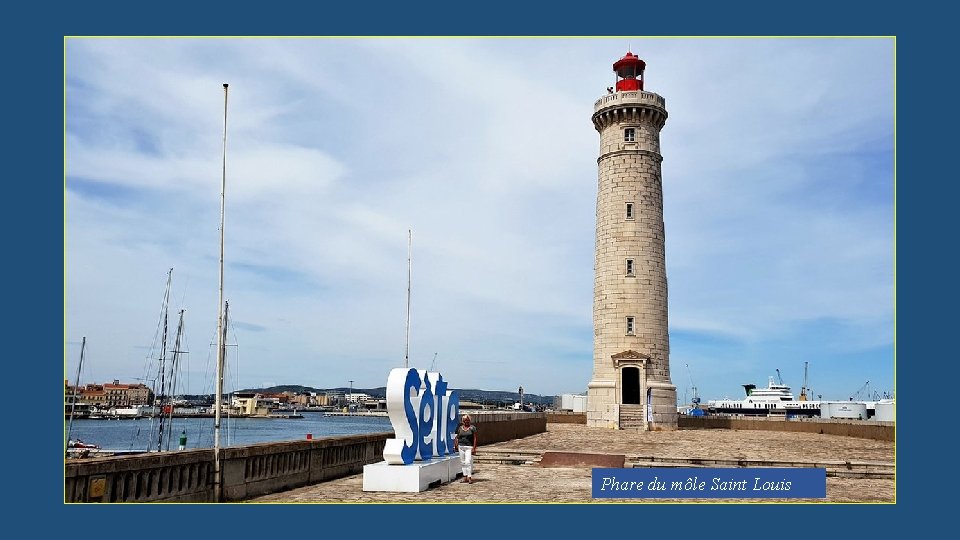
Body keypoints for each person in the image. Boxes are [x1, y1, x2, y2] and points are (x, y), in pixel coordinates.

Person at [453, 414, 478, 484]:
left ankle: (469, 477)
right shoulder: (460, 428)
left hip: (469, 447)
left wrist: (474, 448)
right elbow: (457, 437)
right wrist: (456, 445)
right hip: (461, 446)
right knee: (463, 462)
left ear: (469, 421)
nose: (466, 422)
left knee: (468, 462)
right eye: (464, 420)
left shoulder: (472, 428)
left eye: (467, 420)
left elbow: (475, 438)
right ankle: (465, 476)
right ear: (462, 421)